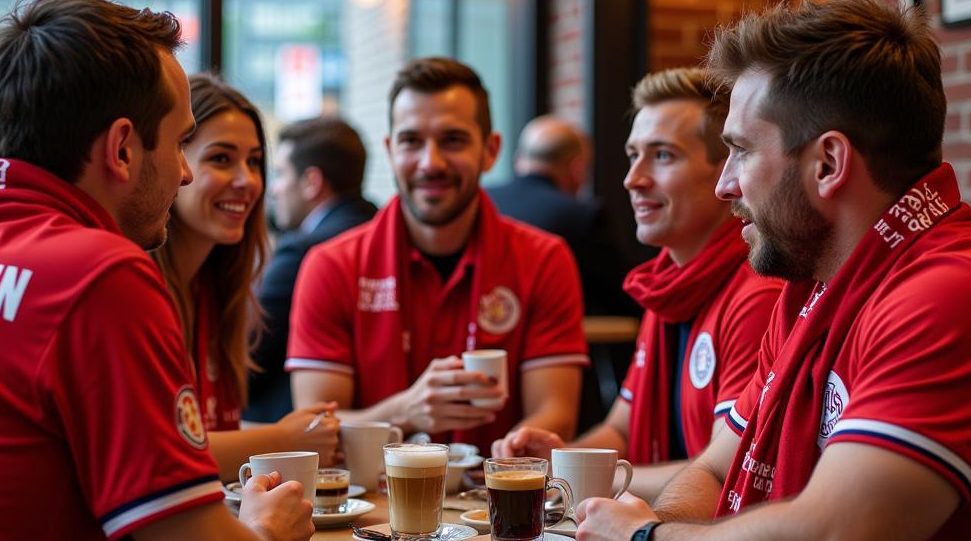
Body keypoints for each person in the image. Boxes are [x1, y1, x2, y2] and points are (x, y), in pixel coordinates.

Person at [537, 0, 971, 541]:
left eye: (741, 151)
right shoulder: (813, 290)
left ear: (828, 163)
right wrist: (653, 524)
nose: (726, 186)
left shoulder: (948, 293)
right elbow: (718, 469)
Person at [0, 0, 387, 541]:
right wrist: (269, 533)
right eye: (183, 142)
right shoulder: (98, 275)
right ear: (123, 149)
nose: (190, 170)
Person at [495, 69, 781, 502]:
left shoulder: (757, 294)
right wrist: (557, 460)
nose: (633, 179)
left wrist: (584, 477)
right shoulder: (665, 286)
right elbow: (620, 430)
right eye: (633, 155)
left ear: (726, 169)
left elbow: (726, 473)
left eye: (662, 155)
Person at [286, 56, 589, 455]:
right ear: (391, 151)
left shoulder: (545, 258)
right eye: (412, 141)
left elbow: (554, 411)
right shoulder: (332, 264)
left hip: (494, 503)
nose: (431, 162)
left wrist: (517, 448)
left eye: (452, 140)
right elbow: (314, 427)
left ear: (490, 150)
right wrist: (406, 410)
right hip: (370, 507)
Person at [150, 74, 340, 479]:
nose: (247, 181)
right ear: (175, 163)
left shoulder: (218, 289)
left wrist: (298, 432)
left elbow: (208, 433)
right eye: (221, 158)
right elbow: (159, 452)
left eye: (254, 162)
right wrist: (283, 440)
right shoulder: (139, 287)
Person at [246, 117, 377, 423]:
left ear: (311, 182)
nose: (273, 189)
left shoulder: (303, 250)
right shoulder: (383, 234)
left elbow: (249, 356)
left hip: (291, 435)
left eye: (280, 174)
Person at [485, 114, 639, 316]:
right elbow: (623, 297)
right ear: (577, 168)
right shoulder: (583, 216)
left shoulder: (485, 201)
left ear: (518, 160)